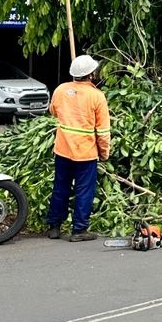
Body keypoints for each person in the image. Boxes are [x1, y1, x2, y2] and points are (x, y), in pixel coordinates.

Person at [46, 55, 111, 241]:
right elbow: (103, 131)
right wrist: (104, 153)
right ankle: (79, 230)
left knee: (60, 187)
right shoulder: (97, 96)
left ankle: (54, 226)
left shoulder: (60, 90)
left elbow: (53, 111)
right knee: (84, 190)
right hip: (85, 153)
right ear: (91, 74)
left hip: (63, 149)